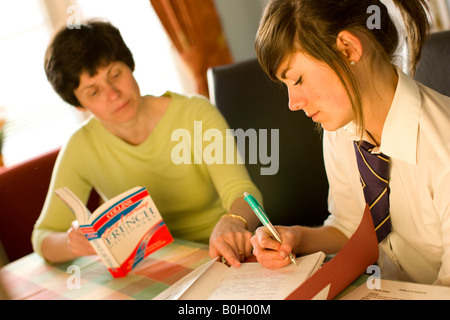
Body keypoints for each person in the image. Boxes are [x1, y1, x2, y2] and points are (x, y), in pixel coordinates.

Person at [250, 0, 450, 286]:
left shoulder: (444, 147)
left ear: (348, 50)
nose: (293, 103)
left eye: (298, 79)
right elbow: (348, 226)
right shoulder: (339, 129)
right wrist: (298, 237)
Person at [32, 20, 263, 267]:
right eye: (94, 92)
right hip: (153, 268)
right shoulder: (81, 146)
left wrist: (234, 220)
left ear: (130, 66)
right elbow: (42, 236)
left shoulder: (195, 113)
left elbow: (243, 192)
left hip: (221, 255)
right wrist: (72, 244)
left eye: (115, 74)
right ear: (79, 104)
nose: (113, 94)